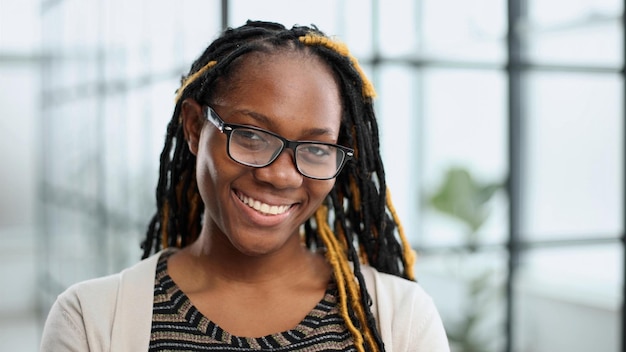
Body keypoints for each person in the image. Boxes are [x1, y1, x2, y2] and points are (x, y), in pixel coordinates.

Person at [40, 20, 450, 352]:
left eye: (316, 149)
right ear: (196, 128)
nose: (281, 174)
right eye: (252, 136)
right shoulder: (90, 322)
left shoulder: (401, 320)